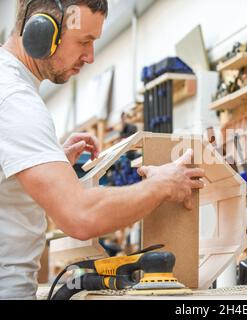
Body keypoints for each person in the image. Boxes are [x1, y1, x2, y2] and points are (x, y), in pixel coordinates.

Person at [0, 0, 205, 299]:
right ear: (41, 30)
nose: (90, 56)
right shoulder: (15, 99)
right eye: (84, 41)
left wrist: (48, 158)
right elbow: (80, 216)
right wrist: (162, 185)